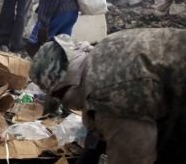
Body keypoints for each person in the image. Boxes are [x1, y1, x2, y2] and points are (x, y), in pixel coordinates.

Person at [30, 29, 186, 163]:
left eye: (59, 98)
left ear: (66, 85)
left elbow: (134, 156)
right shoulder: (103, 50)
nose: (65, 104)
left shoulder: (104, 95)